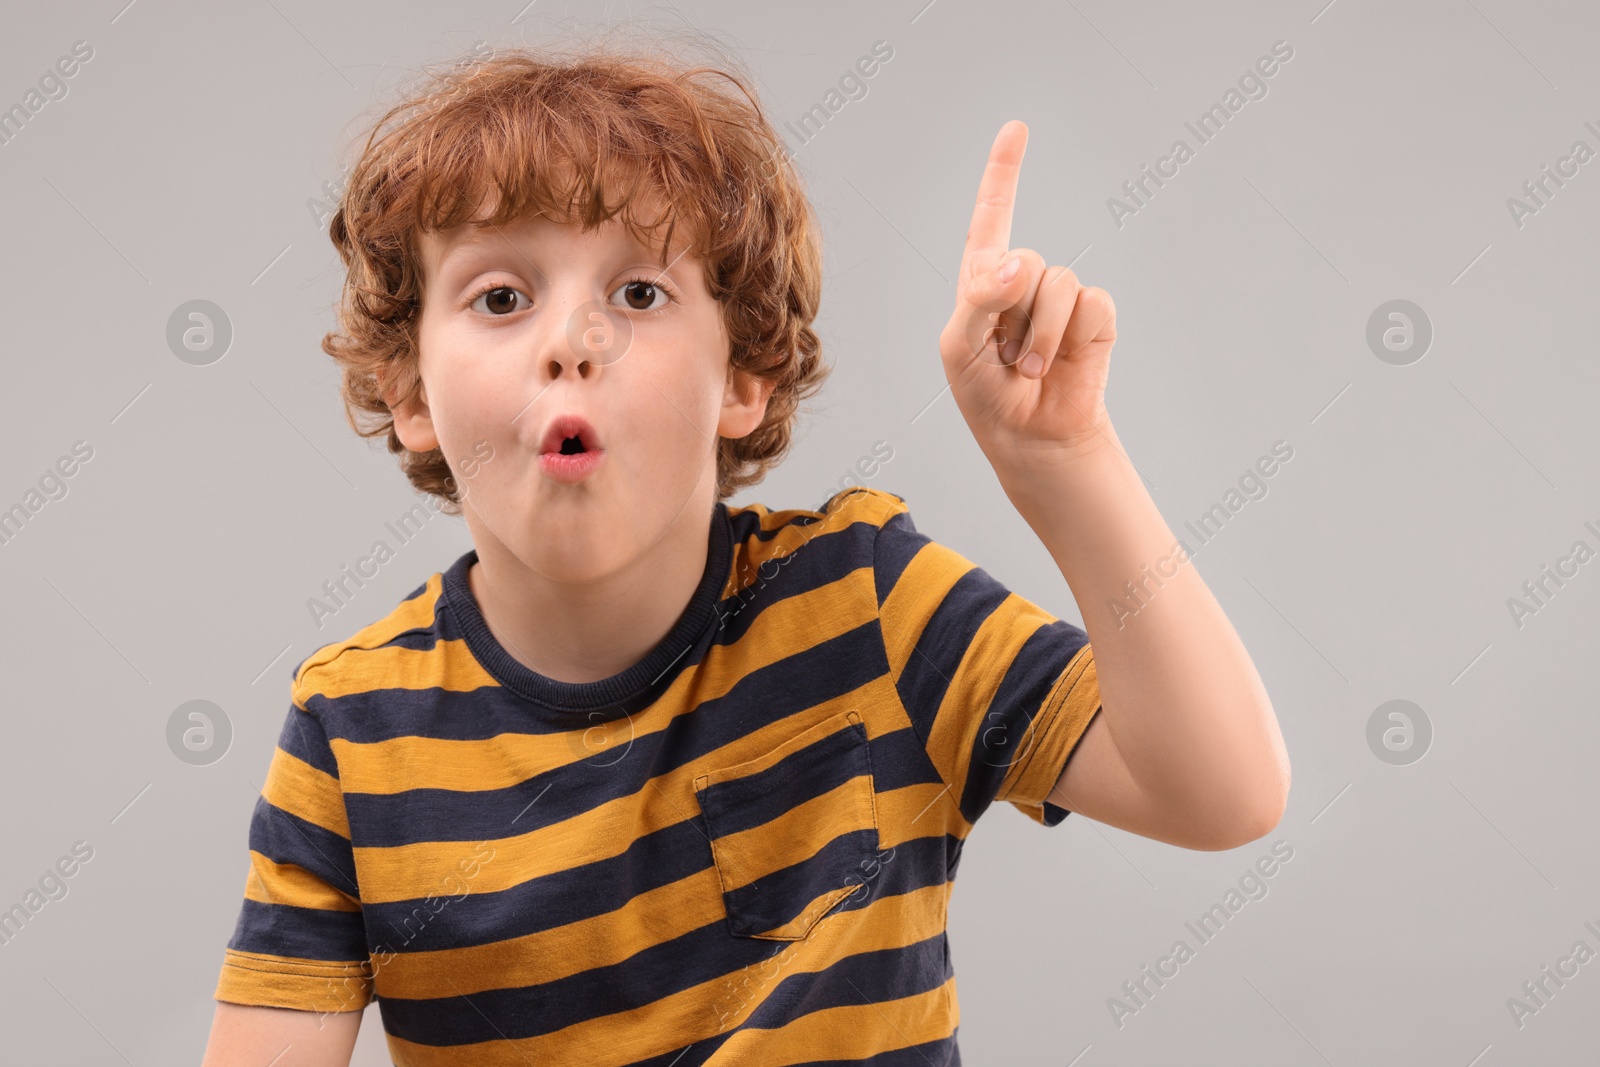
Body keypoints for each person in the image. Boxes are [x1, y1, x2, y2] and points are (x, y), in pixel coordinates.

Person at [201, 33, 1288, 1067]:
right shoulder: (350, 728)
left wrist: (1062, 459)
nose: (572, 342)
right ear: (408, 394)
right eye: (500, 296)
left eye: (639, 292)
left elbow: (1221, 793)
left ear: (744, 377)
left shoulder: (870, 604)